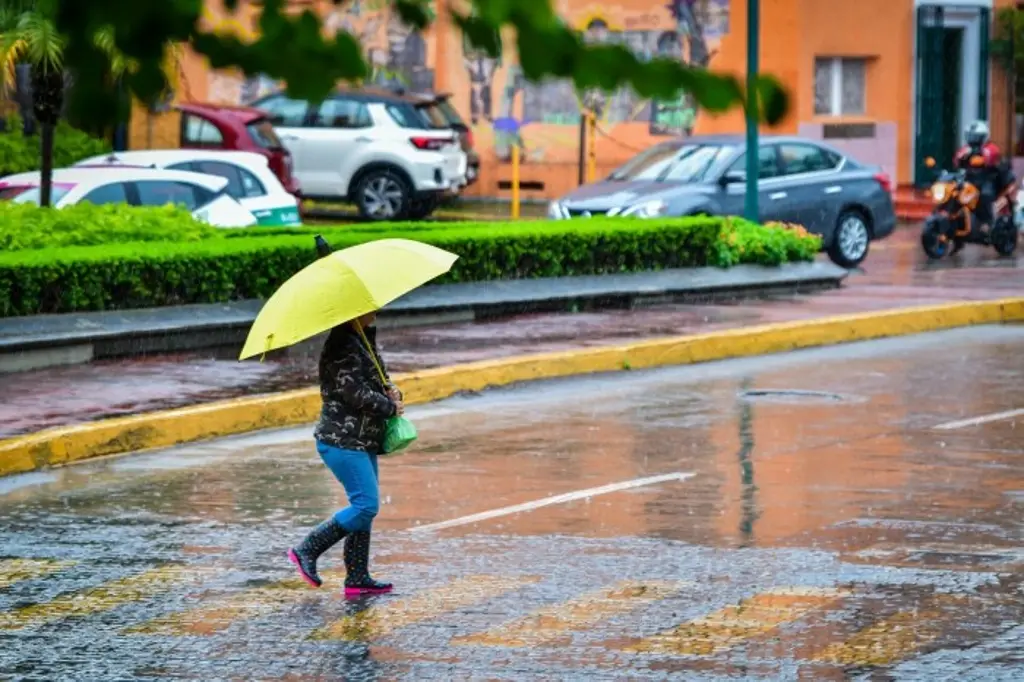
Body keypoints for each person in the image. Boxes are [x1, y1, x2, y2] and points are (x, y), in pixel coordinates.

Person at [288, 312, 404, 596]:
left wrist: (393, 393)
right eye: (367, 306)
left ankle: (357, 576)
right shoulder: (342, 345)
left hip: (362, 440)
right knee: (365, 506)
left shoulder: (362, 339)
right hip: (342, 440)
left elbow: (374, 384)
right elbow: (355, 393)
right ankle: (307, 549)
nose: (374, 309)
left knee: (364, 508)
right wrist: (388, 408)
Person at [953, 120, 1013, 232]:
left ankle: (988, 222)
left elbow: (989, 157)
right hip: (970, 180)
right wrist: (963, 156)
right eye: (971, 136)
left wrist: (977, 155)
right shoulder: (966, 148)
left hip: (989, 179)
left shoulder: (990, 148)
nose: (973, 139)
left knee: (985, 195)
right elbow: (957, 160)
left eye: (976, 137)